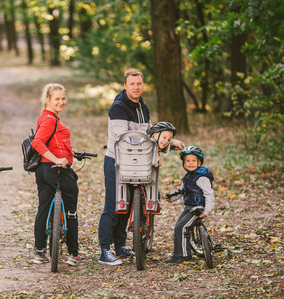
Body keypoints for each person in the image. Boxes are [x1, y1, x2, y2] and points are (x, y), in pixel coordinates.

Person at [98, 69, 185, 266]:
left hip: (137, 161)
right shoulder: (118, 107)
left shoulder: (142, 106)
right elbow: (127, 139)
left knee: (127, 205)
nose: (136, 87)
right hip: (117, 161)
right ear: (125, 86)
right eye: (132, 84)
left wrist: (170, 142)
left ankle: (120, 245)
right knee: (113, 204)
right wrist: (151, 147)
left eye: (139, 84)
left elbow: (150, 132)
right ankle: (105, 250)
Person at [31, 83, 80, 266]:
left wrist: (69, 152)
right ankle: (73, 253)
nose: (61, 102)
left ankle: (40, 252)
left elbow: (53, 141)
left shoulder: (46, 116)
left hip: (42, 171)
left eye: (63, 99)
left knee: (43, 208)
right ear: (48, 100)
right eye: (57, 99)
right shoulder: (51, 119)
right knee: (71, 209)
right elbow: (38, 142)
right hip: (55, 170)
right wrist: (57, 159)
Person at [165, 146, 215, 264]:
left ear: (199, 162)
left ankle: (184, 255)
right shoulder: (188, 176)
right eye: (188, 161)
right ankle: (177, 254)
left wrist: (206, 211)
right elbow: (182, 190)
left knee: (182, 227)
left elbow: (209, 194)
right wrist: (172, 198)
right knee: (177, 227)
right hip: (189, 207)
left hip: (197, 208)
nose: (190, 163)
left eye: (193, 161)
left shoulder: (201, 177)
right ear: (184, 163)